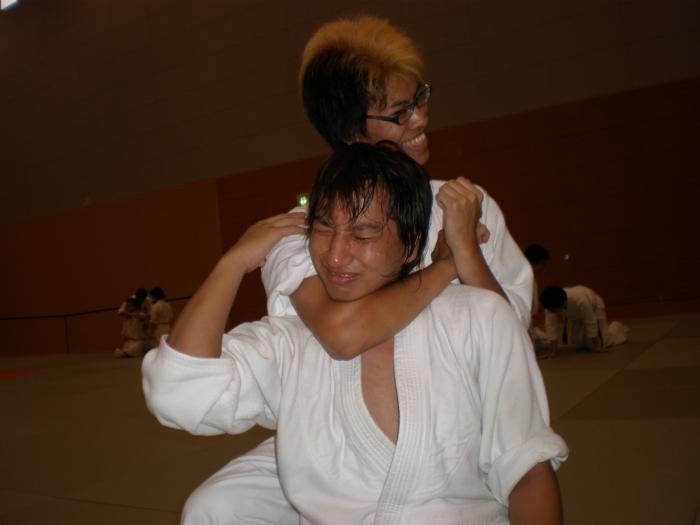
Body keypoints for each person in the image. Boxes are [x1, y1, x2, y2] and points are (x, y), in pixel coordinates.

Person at [143, 142, 568, 524]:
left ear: (410, 244)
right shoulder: (292, 342)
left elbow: (527, 472)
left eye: (363, 233)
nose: (335, 255)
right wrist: (231, 264)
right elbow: (180, 394)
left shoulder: (477, 318)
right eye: (324, 228)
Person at [262, 15, 533, 364]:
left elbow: (515, 340)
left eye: (420, 98)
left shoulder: (465, 206)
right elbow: (342, 334)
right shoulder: (304, 232)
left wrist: (467, 252)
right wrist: (447, 265)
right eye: (400, 112)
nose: (421, 119)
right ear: (350, 132)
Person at [539, 285, 630, 358]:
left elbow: (590, 320)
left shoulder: (580, 300)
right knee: (578, 342)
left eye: (554, 309)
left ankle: (617, 328)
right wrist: (553, 351)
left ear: (562, 303)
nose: (552, 311)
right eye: (550, 309)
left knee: (603, 343)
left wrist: (597, 347)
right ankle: (594, 340)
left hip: (595, 307)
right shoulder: (550, 304)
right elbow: (551, 326)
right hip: (575, 314)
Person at [524, 244, 550, 352]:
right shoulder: (524, 277)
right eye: (542, 264)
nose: (543, 268)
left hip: (528, 320)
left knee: (546, 340)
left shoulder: (529, 275)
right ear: (534, 262)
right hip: (523, 321)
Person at [146, 286, 174, 350]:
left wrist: (149, 333)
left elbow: (153, 322)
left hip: (159, 329)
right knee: (167, 346)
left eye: (151, 296)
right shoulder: (168, 305)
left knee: (159, 347)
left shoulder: (155, 306)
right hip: (168, 328)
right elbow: (171, 318)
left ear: (154, 296)